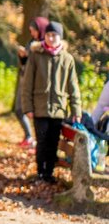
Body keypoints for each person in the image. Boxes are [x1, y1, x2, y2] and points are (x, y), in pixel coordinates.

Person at [21, 21, 81, 184]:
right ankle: (41, 172)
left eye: (54, 35)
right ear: (45, 36)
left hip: (59, 109)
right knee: (41, 141)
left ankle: (49, 173)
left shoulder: (67, 59)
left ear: (60, 38)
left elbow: (73, 87)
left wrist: (76, 110)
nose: (51, 38)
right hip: (40, 108)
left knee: (53, 142)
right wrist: (27, 107)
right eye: (48, 35)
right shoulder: (36, 56)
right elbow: (27, 84)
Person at [14, 16, 48, 149]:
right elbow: (25, 64)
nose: (32, 33)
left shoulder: (43, 46)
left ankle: (36, 140)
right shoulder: (31, 42)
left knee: (30, 112)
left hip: (35, 84)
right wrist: (23, 57)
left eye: (34, 30)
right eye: (31, 31)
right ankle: (28, 136)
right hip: (24, 79)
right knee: (18, 110)